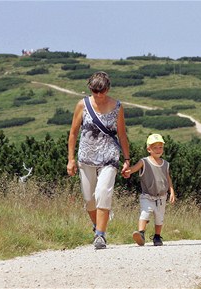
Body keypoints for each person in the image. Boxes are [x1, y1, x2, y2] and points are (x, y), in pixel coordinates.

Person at [67, 71, 131, 250]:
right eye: (95, 91)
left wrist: (127, 159)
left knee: (103, 192)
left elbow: (122, 135)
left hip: (109, 156)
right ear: (90, 89)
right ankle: (98, 226)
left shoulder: (117, 107)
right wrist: (70, 159)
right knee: (89, 199)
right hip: (86, 156)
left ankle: (100, 236)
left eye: (101, 91)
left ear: (108, 89)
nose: (98, 95)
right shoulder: (82, 105)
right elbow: (73, 133)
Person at [124, 133, 176, 246]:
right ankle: (141, 234)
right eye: (155, 147)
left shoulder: (166, 164)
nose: (158, 150)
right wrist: (128, 171)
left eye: (160, 147)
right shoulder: (144, 161)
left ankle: (157, 237)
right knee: (145, 213)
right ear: (149, 149)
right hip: (147, 195)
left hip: (161, 197)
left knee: (159, 217)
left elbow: (168, 178)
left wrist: (171, 191)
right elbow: (134, 168)